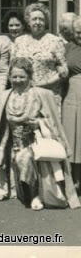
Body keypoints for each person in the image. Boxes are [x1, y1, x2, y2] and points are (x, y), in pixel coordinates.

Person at [0, 58, 80, 210]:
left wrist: (39, 124)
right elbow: (5, 127)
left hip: (36, 145)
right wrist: (0, 151)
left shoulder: (41, 94)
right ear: (9, 77)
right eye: (14, 77)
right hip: (13, 145)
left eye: (22, 77)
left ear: (30, 76)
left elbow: (52, 123)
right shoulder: (7, 96)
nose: (18, 80)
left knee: (24, 158)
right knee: (11, 158)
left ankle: (35, 195)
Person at [12, 3, 68, 110]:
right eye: (34, 19)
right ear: (28, 21)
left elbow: (64, 71)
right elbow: (13, 68)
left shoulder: (55, 41)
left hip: (48, 94)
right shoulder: (19, 41)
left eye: (41, 19)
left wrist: (43, 84)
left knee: (47, 126)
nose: (37, 22)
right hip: (24, 94)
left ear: (46, 21)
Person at [62, 16, 81, 192]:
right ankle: (75, 179)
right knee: (73, 136)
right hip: (72, 95)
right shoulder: (67, 47)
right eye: (78, 32)